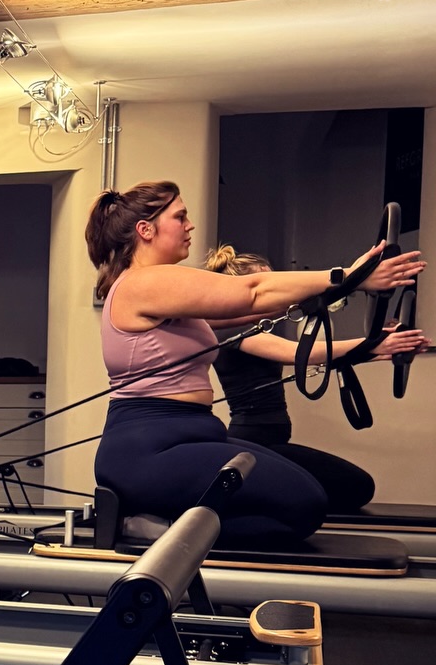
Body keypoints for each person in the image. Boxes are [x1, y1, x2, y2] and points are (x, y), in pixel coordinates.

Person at [85, 181, 423, 547]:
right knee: (304, 504)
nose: (190, 225)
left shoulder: (169, 298)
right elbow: (252, 291)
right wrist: (348, 277)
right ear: (145, 230)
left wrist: (353, 301)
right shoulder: (142, 283)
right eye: (180, 216)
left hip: (194, 434)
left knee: (313, 491)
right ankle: (158, 527)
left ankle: (171, 523)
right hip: (149, 450)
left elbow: (262, 307)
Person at [205, 243, 429, 514]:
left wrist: (357, 278)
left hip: (268, 439)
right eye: (269, 280)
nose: (279, 287)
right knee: (357, 486)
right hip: (254, 442)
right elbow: (300, 354)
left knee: (348, 488)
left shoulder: (255, 323)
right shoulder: (234, 331)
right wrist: (374, 343)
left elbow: (300, 301)